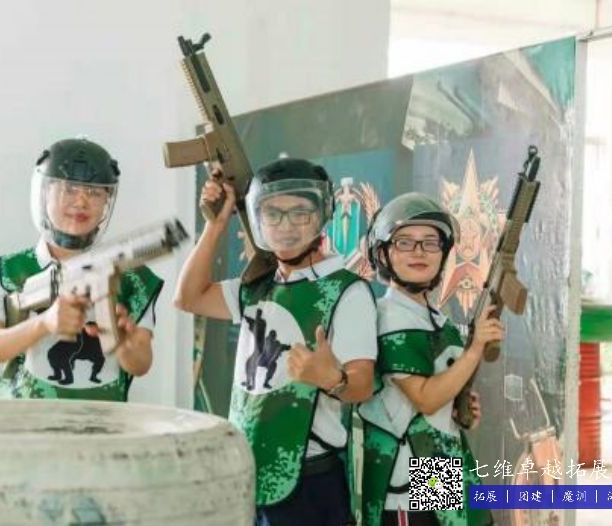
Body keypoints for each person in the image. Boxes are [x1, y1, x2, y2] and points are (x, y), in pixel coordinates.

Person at [175, 158, 377, 525]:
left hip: (330, 473)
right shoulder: (259, 286)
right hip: (253, 466)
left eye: (300, 213)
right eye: (272, 214)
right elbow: (188, 297)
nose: (285, 226)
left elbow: (381, 389)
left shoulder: (351, 293)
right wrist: (215, 225)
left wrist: (331, 379)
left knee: (447, 513)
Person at [0, 137, 162, 400]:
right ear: (45, 193)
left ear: (107, 201)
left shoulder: (133, 278)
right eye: (69, 189)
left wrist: (121, 341)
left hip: (102, 421)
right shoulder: (12, 270)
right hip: (21, 421)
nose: (81, 201)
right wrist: (44, 324)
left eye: (94, 192)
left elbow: (141, 365)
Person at [359, 192, 498, 526]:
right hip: (405, 473)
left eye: (430, 242)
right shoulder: (389, 316)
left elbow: (440, 398)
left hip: (436, 462)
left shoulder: (434, 318)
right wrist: (475, 349)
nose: (419, 252)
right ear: (383, 253)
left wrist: (461, 406)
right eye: (405, 242)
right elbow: (426, 398)